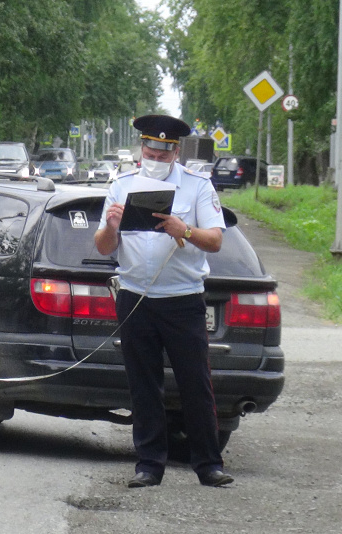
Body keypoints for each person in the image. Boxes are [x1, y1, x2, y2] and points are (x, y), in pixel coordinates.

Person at [94, 114, 235, 488]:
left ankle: (208, 464)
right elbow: (103, 245)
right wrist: (111, 226)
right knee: (143, 385)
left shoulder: (197, 186)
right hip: (136, 298)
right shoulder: (122, 185)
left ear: (176, 151)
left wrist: (183, 229)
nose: (156, 156)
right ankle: (149, 464)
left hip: (182, 299)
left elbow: (216, 241)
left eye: (164, 151)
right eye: (150, 149)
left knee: (194, 383)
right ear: (142, 148)